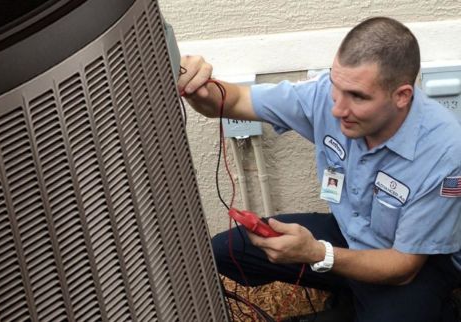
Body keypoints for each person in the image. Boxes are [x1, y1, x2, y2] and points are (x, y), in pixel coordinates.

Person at [178, 17, 461, 321]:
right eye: (337, 87)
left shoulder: (444, 152)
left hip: (413, 263)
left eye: (358, 97)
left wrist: (318, 254)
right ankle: (351, 294)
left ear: (401, 96)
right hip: (349, 232)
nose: (338, 109)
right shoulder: (327, 97)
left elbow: (404, 267)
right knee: (225, 250)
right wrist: (203, 90)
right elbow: (236, 100)